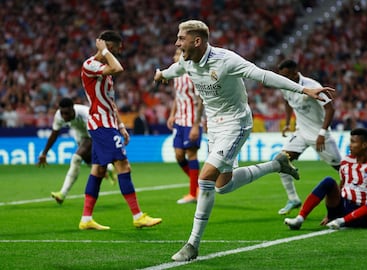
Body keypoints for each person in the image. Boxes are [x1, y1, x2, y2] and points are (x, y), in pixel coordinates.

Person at [154, 20, 335, 261]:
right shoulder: (187, 61)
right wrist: (161, 74)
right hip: (215, 128)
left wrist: (303, 90)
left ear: (197, 41)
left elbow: (263, 75)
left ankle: (192, 245)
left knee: (205, 177)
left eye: (181, 38)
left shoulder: (226, 60)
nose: (177, 42)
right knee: (223, 185)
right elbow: (174, 70)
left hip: (236, 123)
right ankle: (277, 164)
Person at [79, 30, 162, 230]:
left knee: (98, 170)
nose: (120, 50)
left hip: (108, 123)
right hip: (101, 125)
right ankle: (138, 216)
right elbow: (119, 68)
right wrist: (105, 51)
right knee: (123, 166)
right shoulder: (90, 65)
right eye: (117, 47)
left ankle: (86, 219)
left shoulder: (104, 70)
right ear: (108, 45)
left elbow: (111, 102)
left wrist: (121, 125)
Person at [284, 128, 367, 230]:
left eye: (353, 142)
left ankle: (342, 221)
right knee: (328, 181)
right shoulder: (346, 161)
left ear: (364, 145)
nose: (349, 145)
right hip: (342, 207)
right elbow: (341, 186)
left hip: (362, 213)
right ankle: (300, 219)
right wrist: (329, 215)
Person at [276, 59, 342, 215]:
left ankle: (352, 197)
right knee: (280, 162)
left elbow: (330, 109)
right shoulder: (285, 85)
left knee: (341, 169)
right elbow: (287, 102)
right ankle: (293, 199)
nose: (283, 79)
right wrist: (287, 123)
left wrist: (322, 133)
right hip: (300, 133)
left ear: (294, 73)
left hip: (320, 136)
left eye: (285, 75)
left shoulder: (313, 86)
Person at [37, 97, 116, 204]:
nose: (64, 116)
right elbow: (54, 134)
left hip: (95, 134)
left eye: (67, 113)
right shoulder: (59, 116)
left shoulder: (86, 114)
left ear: (72, 109)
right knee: (90, 163)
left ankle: (62, 194)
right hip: (80, 135)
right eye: (62, 113)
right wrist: (44, 153)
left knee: (76, 158)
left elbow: (95, 135)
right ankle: (108, 168)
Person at [167, 48, 204, 204]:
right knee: (178, 155)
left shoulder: (193, 75)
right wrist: (172, 114)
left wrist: (196, 125)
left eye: (177, 54)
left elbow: (201, 100)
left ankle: (193, 194)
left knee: (191, 154)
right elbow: (178, 97)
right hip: (180, 121)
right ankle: (201, 185)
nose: (174, 56)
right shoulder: (176, 76)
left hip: (191, 121)